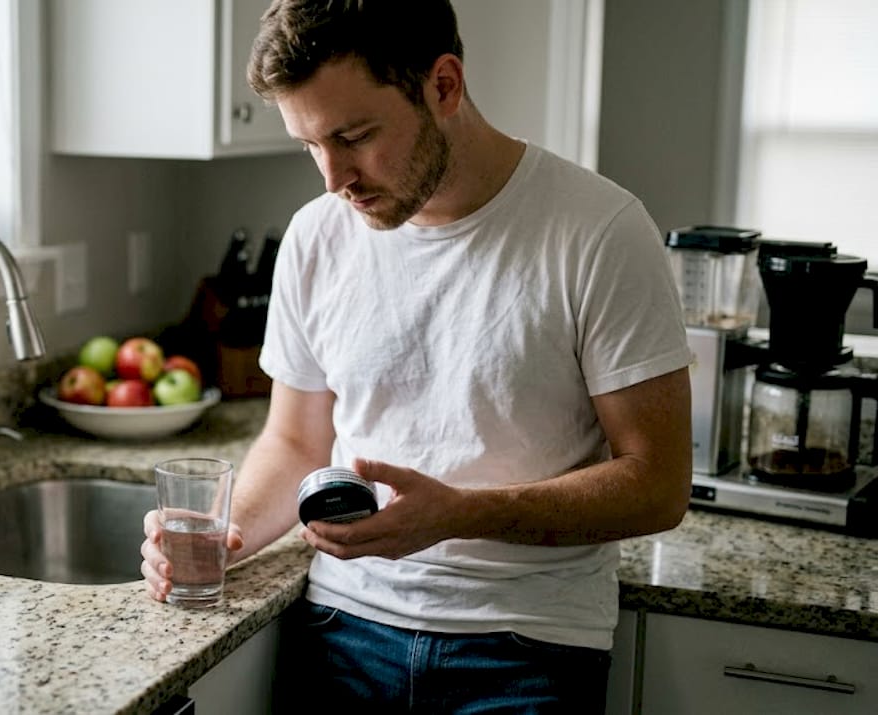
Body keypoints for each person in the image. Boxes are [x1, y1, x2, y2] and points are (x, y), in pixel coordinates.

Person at [140, 0, 693, 711]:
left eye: (356, 136)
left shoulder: (599, 231)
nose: (333, 177)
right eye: (310, 145)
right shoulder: (316, 238)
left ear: (444, 85)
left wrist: (458, 513)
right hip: (342, 628)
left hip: (527, 643)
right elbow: (296, 439)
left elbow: (657, 482)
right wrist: (224, 534)